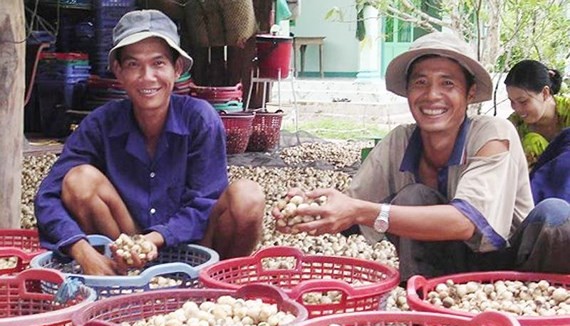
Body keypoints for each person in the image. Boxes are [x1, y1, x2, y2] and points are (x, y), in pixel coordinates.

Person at [273, 31, 570, 281]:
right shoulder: (400, 141)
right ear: (408, 92)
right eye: (420, 82)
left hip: (513, 265)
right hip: (447, 275)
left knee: (555, 214)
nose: (432, 95)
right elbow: (352, 208)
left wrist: (363, 212)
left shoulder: (493, 133)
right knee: (414, 197)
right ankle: (427, 309)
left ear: (469, 93)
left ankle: (541, 319)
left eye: (448, 83)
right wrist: (309, 210)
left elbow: (465, 223)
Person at [34, 9, 265, 275]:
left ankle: (217, 283)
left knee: (248, 197)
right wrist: (80, 249)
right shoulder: (100, 124)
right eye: (133, 64)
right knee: (79, 180)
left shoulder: (200, 119)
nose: (147, 77)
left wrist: (155, 238)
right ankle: (123, 276)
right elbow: (47, 196)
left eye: (158, 63)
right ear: (118, 71)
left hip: (197, 249)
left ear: (177, 69)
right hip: (127, 247)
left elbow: (205, 203)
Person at [505, 60, 570, 202]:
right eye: (512, 102)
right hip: (534, 195)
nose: (517, 108)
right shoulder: (513, 126)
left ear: (545, 93)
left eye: (523, 101)